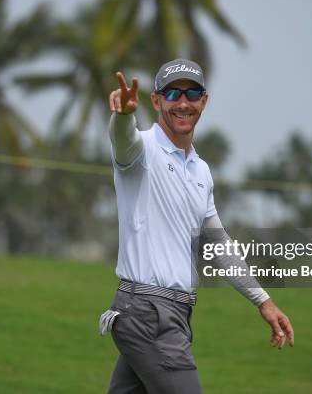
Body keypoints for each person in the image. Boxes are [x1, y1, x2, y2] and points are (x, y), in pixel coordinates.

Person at [99, 59, 294, 394]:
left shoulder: (201, 171)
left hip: (173, 313)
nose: (183, 102)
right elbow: (122, 140)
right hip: (148, 314)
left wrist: (263, 301)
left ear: (204, 100)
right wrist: (123, 116)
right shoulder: (142, 150)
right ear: (156, 101)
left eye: (192, 93)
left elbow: (219, 246)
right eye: (173, 93)